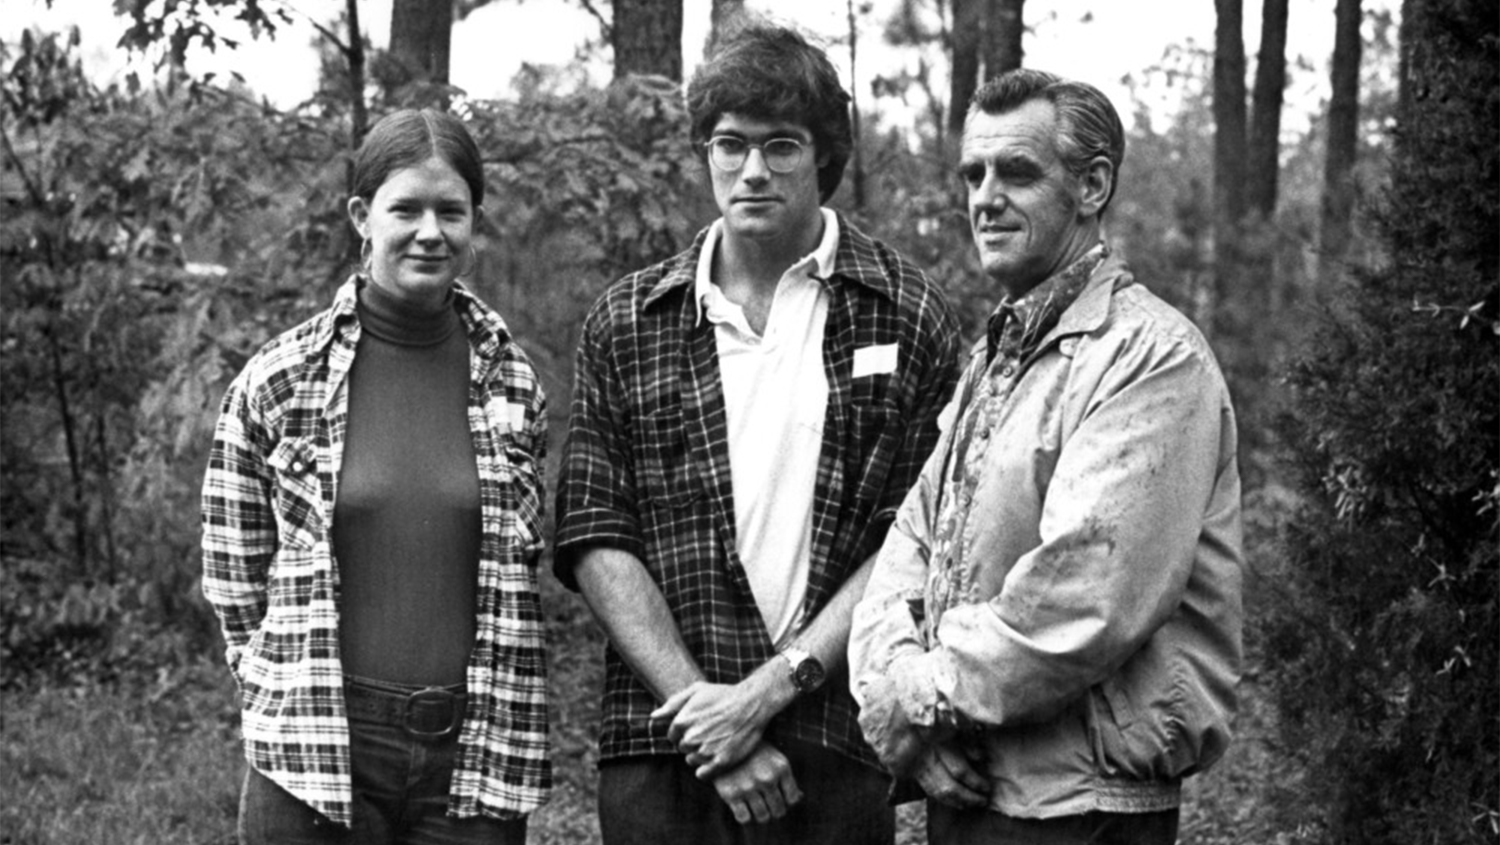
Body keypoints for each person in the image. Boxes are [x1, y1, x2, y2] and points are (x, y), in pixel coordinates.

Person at [552, 21, 961, 845]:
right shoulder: (629, 321)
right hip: (666, 741)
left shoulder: (905, 312)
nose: (752, 170)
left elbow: (916, 541)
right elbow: (597, 534)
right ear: (704, 151)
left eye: (781, 146)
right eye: (730, 144)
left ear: (824, 156)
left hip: (835, 734)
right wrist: (711, 717)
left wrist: (766, 694)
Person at [848, 69, 1244, 845]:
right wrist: (899, 694)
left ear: (1092, 185)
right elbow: (908, 550)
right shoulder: (994, 358)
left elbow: (1083, 596)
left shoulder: (1153, 358)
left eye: (1017, 172)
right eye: (973, 173)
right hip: (966, 787)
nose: (984, 197)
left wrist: (922, 695)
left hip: (1081, 811)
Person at [201, 108, 549, 844]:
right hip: (315, 747)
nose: (431, 230)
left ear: (474, 223)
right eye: (406, 209)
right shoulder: (278, 380)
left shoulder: (511, 381)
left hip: (474, 751)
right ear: (363, 215)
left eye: (451, 211)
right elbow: (234, 578)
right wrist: (282, 687)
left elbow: (520, 562)